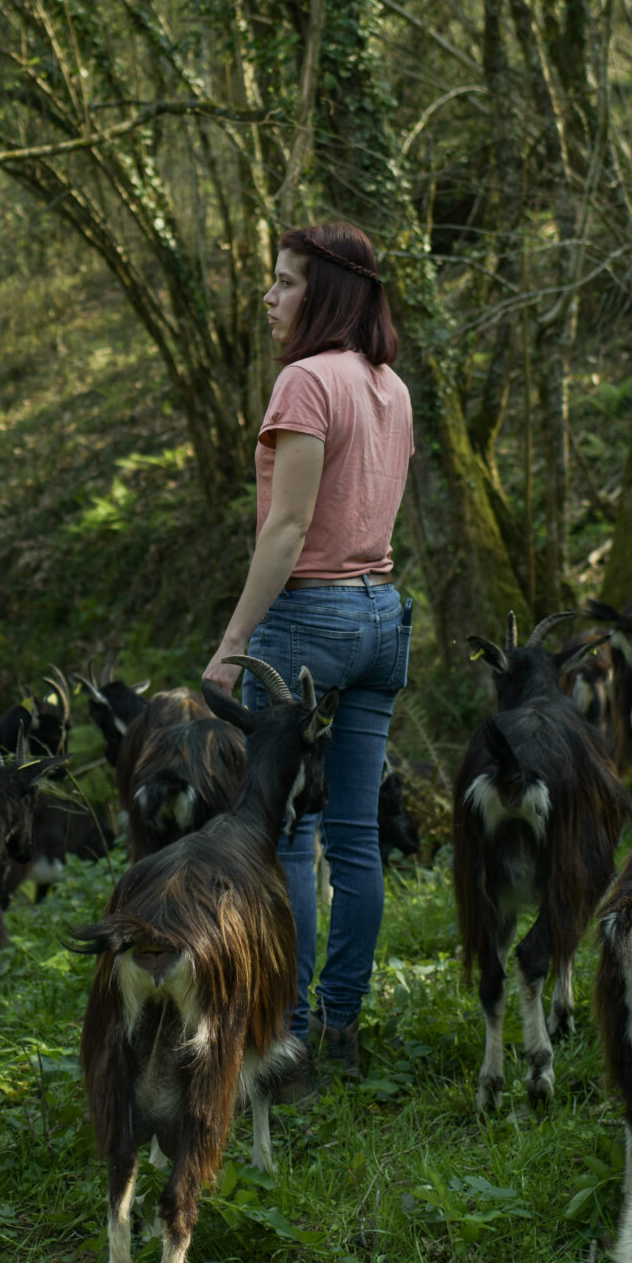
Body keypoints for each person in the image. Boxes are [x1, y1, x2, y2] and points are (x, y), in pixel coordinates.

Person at [203, 221, 414, 1093]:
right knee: (357, 836)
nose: (270, 295)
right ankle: (340, 1026)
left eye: (285, 282)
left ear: (323, 293)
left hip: (310, 619)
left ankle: (283, 1032)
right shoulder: (390, 387)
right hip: (383, 617)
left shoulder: (303, 383)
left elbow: (287, 528)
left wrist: (232, 642)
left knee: (288, 830)